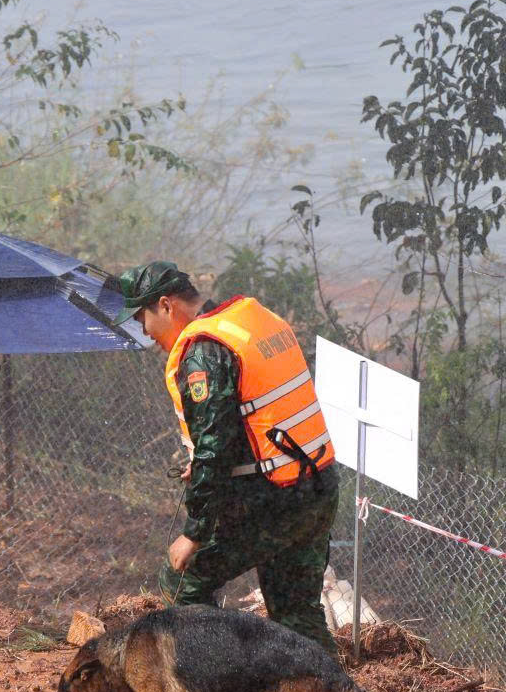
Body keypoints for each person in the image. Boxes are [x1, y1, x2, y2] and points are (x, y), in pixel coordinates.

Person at [110, 260, 340, 651]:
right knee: (297, 616)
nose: (146, 333)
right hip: (317, 488)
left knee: (184, 581)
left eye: (141, 318)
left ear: (165, 306)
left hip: (274, 501)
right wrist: (212, 467)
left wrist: (194, 533)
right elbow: (254, 425)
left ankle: (211, 689)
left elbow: (216, 450)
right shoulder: (250, 320)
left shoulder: (203, 351)